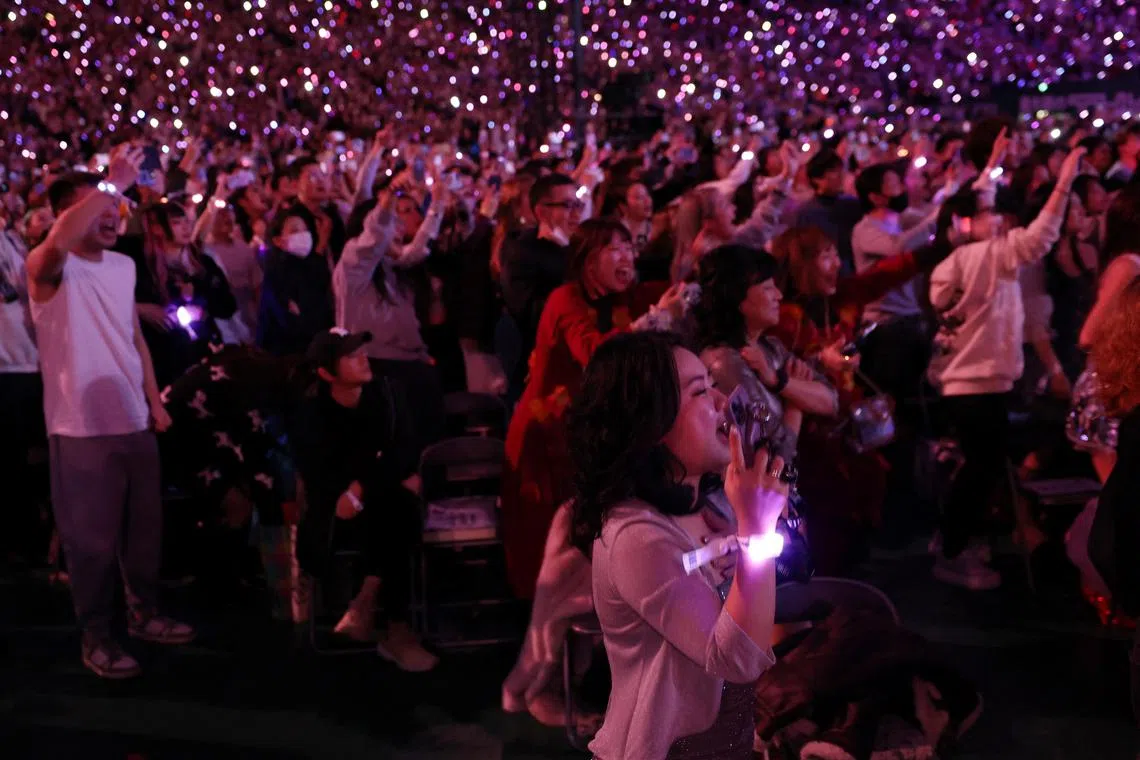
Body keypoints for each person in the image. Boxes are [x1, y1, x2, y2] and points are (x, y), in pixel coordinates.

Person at [568, 330, 786, 760]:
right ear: (652, 423)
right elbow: (737, 658)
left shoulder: (705, 505)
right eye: (701, 392)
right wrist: (758, 531)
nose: (725, 404)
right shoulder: (636, 536)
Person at [26, 154, 194, 679]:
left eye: (114, 208)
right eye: (96, 209)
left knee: (144, 533)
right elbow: (59, 239)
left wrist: (154, 399)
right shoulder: (47, 266)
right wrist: (113, 181)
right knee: (92, 544)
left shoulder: (122, 267)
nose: (111, 215)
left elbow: (133, 337)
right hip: (80, 427)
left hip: (133, 418)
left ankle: (144, 614)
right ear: (63, 216)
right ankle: (96, 636)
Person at [927, 146, 1086, 590]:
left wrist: (990, 168)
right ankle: (953, 552)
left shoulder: (954, 261)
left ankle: (955, 543)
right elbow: (1042, 237)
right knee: (981, 470)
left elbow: (979, 204)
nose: (999, 220)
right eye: (989, 215)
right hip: (979, 385)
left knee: (981, 468)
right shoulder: (989, 255)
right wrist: (1063, 183)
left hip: (968, 384)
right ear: (965, 224)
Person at [502, 218, 686, 599]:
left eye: (629, 247)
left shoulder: (625, 301)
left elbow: (669, 292)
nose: (628, 257)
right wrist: (654, 319)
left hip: (591, 435)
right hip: (547, 434)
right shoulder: (564, 299)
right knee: (551, 543)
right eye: (615, 249)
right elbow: (595, 353)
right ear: (587, 262)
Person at [291, 327, 436, 672]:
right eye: (351, 356)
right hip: (334, 513)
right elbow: (322, 475)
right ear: (327, 372)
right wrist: (366, 478)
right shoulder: (312, 412)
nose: (363, 359)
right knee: (397, 504)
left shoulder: (386, 394)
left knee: (394, 508)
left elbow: (404, 449)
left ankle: (368, 602)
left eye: (362, 351)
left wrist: (362, 485)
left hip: (377, 506)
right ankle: (395, 628)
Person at [694, 244, 839, 465]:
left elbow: (831, 400)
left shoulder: (771, 346)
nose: (779, 296)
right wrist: (796, 405)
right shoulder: (724, 363)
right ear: (738, 298)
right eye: (768, 288)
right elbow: (773, 455)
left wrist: (780, 382)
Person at [334, 181, 447, 458]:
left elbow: (417, 248)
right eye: (392, 223)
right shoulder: (353, 269)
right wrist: (385, 204)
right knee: (400, 461)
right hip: (380, 377)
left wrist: (437, 207)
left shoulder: (392, 269)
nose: (400, 230)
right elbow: (372, 240)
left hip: (411, 373)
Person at [134, 200, 238, 386]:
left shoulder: (203, 264)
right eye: (176, 223)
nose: (185, 227)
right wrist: (142, 309)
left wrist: (201, 304)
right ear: (157, 229)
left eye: (186, 221)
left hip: (206, 354)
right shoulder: (142, 270)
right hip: (165, 361)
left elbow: (228, 306)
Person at [499, 173, 581, 396]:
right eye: (567, 205)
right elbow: (528, 312)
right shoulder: (521, 250)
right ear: (542, 211)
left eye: (578, 204)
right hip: (539, 363)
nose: (576, 214)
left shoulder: (580, 244)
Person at [0, 225, 46, 564]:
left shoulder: (12, 237)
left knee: (32, 459)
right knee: (11, 464)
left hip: (31, 362)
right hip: (5, 367)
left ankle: (34, 540)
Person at [256, 206, 335, 356]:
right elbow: (290, 319)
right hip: (288, 354)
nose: (303, 235)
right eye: (295, 231)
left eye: (305, 230)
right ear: (278, 240)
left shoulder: (310, 264)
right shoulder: (277, 272)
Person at [791, 150, 864, 274]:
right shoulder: (808, 212)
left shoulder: (853, 204)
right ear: (816, 179)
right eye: (833, 171)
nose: (841, 175)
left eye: (841, 169)